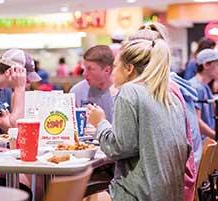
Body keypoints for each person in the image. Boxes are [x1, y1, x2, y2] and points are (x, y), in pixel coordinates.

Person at [87, 29, 189, 200]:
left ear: (129, 68)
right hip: (169, 194)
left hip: (138, 194)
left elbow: (118, 148)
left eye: (116, 66)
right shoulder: (169, 96)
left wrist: (100, 123)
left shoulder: (130, 91)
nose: (112, 72)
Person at [69, 45, 114, 122]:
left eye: (90, 69)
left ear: (107, 70)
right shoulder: (77, 91)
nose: (84, 74)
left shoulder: (121, 93)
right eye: (84, 68)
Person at [189, 48, 218, 140]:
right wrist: (215, 136)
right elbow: (196, 121)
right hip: (201, 145)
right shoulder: (196, 87)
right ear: (206, 65)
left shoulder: (204, 87)